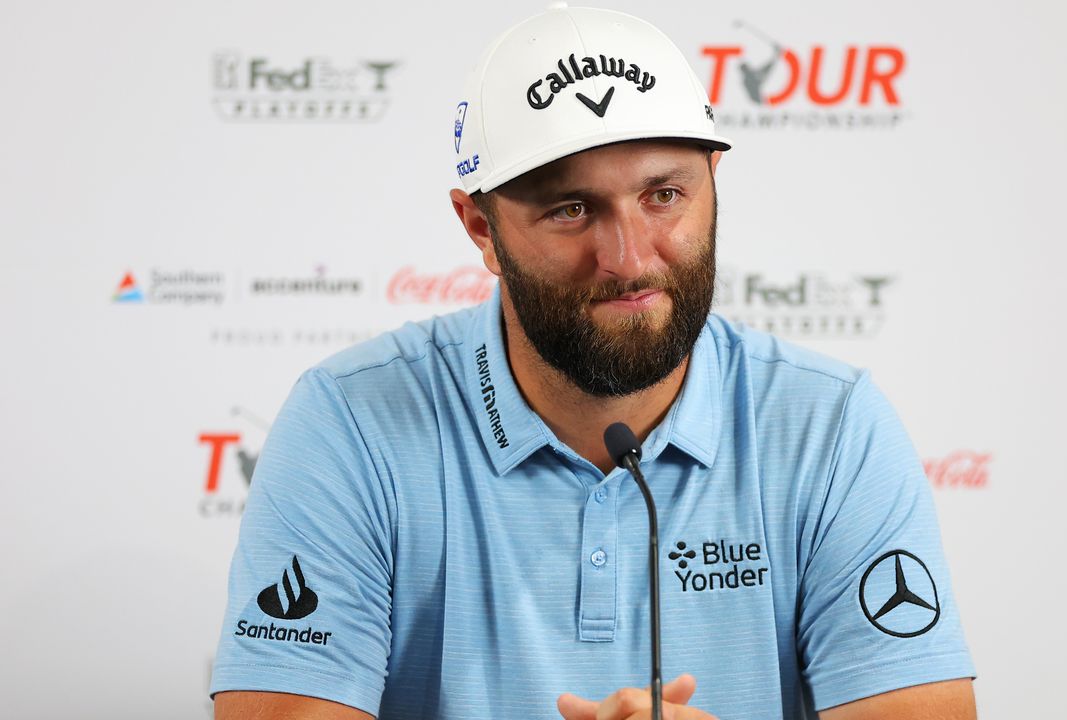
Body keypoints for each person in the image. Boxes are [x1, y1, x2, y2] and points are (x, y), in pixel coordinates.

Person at [211, 5, 977, 719]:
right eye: (571, 209)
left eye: (665, 195)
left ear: (715, 182)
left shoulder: (829, 426)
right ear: (480, 227)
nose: (629, 258)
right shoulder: (350, 423)